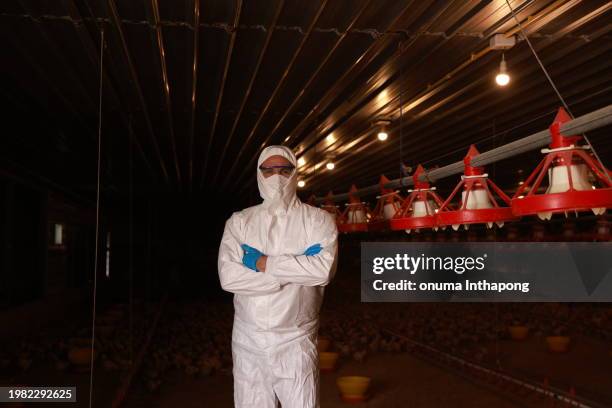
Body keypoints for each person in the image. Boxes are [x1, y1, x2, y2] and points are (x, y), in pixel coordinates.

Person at [218, 145, 338, 408]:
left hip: (297, 339)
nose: (277, 178)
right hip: (249, 340)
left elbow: (322, 271)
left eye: (284, 170)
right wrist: (293, 273)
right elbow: (229, 278)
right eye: (269, 171)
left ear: (295, 173)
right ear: (259, 175)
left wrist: (262, 263)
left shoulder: (318, 220)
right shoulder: (240, 222)